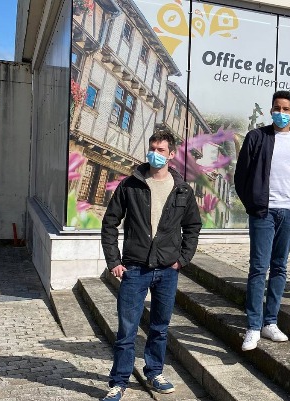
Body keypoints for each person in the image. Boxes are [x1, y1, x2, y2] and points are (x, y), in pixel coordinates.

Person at [100, 132, 202, 401]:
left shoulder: (182, 189)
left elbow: (193, 226)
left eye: (161, 149)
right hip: (135, 268)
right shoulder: (130, 185)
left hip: (168, 269)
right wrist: (114, 261)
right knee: (127, 330)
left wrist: (183, 258)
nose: (155, 153)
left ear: (171, 154)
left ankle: (154, 372)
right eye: (152, 148)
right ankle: (119, 382)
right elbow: (110, 223)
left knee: (160, 327)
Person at [234, 90, 290, 351]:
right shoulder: (257, 137)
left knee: (279, 267)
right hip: (264, 212)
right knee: (259, 267)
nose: (281, 113)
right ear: (271, 111)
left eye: (285, 109)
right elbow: (241, 176)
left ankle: (270, 322)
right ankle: (253, 326)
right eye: (277, 108)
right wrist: (253, 204)